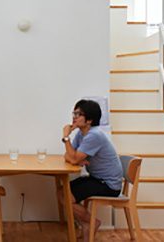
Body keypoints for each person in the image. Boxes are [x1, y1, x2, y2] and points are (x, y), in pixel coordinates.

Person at [60, 99, 123, 239]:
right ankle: (87, 223)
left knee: (65, 195)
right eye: (74, 112)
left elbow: (73, 158)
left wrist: (66, 137)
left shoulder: (94, 135)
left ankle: (92, 222)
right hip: (97, 179)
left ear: (89, 120)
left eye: (79, 114)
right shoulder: (82, 134)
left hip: (108, 184)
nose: (74, 116)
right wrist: (75, 157)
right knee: (62, 190)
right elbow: (68, 156)